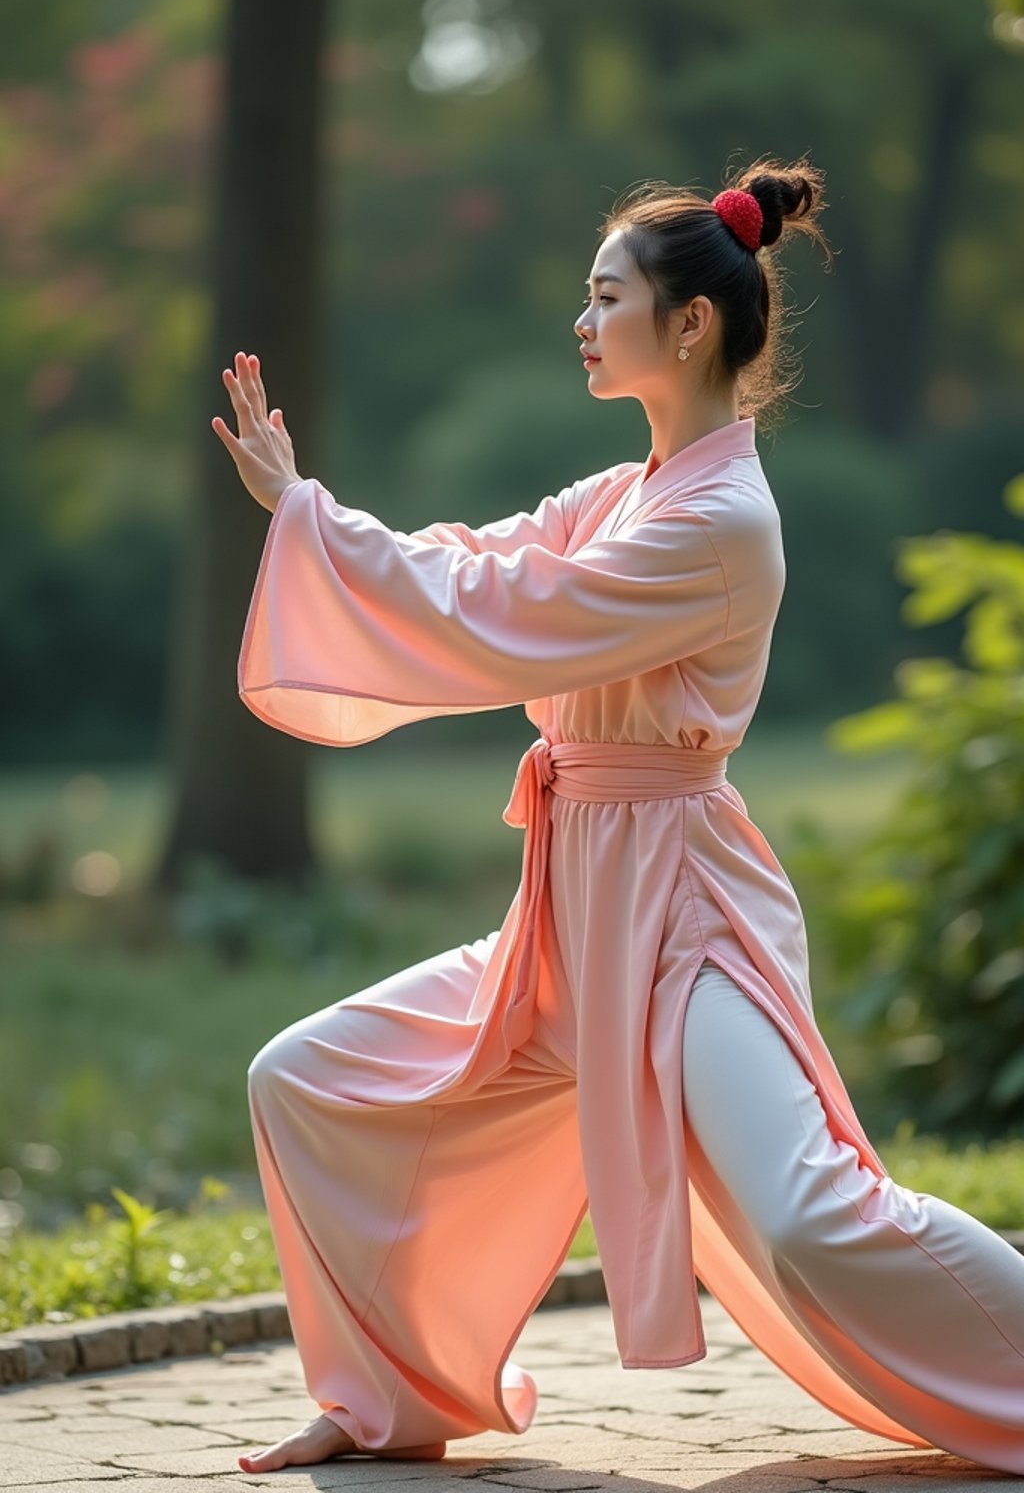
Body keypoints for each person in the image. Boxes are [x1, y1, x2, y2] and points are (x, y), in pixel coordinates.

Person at [212, 157, 1024, 1478]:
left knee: (813, 1213)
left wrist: (307, 519)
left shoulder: (713, 524)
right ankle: (387, 1402)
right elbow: (491, 560)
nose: (583, 324)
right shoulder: (634, 492)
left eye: (605, 298)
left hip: (681, 926)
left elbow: (502, 619)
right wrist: (317, 517)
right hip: (574, 911)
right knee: (307, 1081)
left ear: (689, 322)